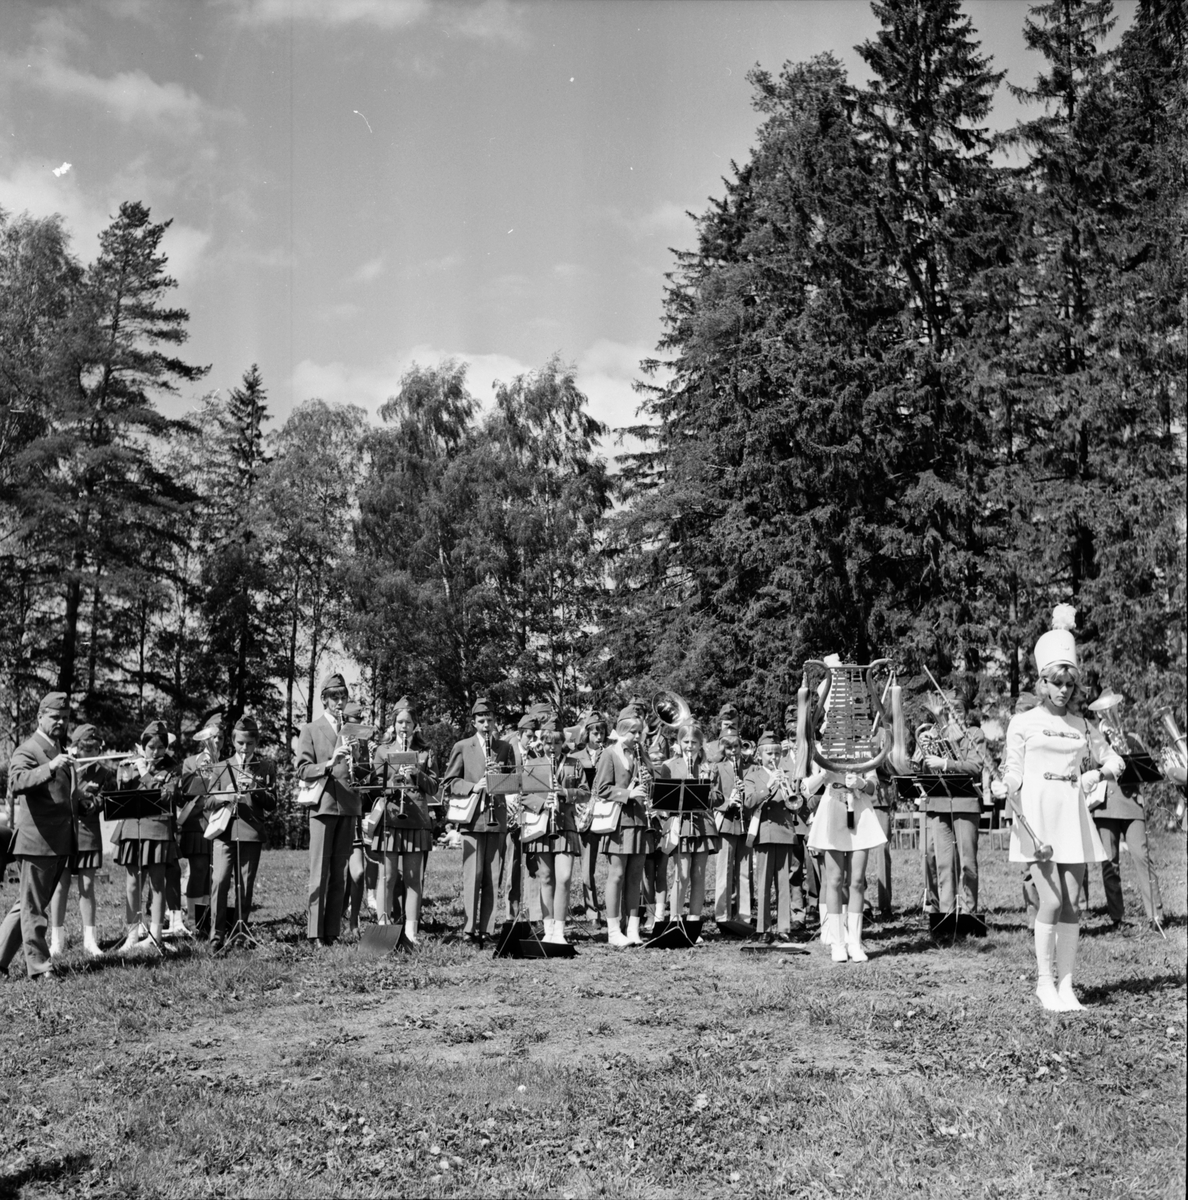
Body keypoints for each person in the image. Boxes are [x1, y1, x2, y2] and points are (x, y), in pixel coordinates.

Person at [1003, 605, 1123, 1011]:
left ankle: (1067, 985)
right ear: (1043, 682)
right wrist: (1007, 783)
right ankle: (1043, 983)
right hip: (1038, 813)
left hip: (1072, 812)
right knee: (1050, 901)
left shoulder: (1082, 725)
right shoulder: (1023, 722)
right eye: (1056, 684)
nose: (1064, 691)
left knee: (1071, 902)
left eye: (1069, 685)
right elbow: (1014, 770)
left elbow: (1114, 760)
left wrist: (1098, 775)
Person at [0, 692, 78, 981]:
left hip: (58, 842)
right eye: (55, 716)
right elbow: (17, 781)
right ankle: (40, 967)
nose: (61, 722)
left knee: (26, 905)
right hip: (37, 843)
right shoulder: (28, 749)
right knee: (34, 908)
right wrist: (50, 767)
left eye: (65, 717)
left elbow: (61, 796)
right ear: (40, 717)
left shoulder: (60, 748)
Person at [1085, 689, 1164, 931]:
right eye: (1105, 713)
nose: (1109, 716)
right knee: (1110, 862)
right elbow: (1089, 766)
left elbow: (1145, 767)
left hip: (1132, 804)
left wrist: (1123, 746)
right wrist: (1101, 740)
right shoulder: (1093, 738)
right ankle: (1117, 917)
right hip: (1105, 805)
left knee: (1142, 856)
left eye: (1113, 711)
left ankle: (1156, 915)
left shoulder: (1132, 738)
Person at [442, 697, 515, 946]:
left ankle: (487, 929)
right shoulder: (463, 746)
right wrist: (475, 787)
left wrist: (499, 780)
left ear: (495, 722)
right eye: (482, 721)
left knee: (493, 876)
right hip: (473, 818)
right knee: (472, 874)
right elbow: (450, 782)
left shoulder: (505, 747)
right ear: (474, 722)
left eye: (490, 720)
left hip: (497, 818)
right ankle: (469, 930)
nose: (486, 725)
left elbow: (514, 780)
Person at [912, 691, 989, 929]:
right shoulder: (933, 734)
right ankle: (945, 917)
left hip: (966, 802)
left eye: (956, 711)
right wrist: (924, 753)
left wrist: (946, 763)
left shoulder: (974, 733)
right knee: (943, 863)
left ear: (964, 712)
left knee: (967, 861)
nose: (952, 716)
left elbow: (976, 766)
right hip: (938, 802)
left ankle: (968, 915)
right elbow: (919, 769)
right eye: (947, 711)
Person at [296, 673, 362, 947]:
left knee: (340, 872)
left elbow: (363, 772)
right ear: (324, 699)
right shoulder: (310, 729)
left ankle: (332, 930)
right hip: (323, 806)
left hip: (347, 805)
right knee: (319, 872)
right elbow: (302, 769)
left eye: (343, 696)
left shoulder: (353, 730)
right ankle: (314, 933)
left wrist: (359, 758)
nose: (339, 701)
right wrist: (328, 762)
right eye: (334, 697)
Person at [805, 745, 886, 964]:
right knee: (834, 879)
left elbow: (873, 785)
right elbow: (809, 786)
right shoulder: (823, 748)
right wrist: (824, 771)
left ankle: (855, 942)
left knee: (857, 881)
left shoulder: (862, 747)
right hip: (833, 810)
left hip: (859, 812)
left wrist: (861, 783)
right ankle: (837, 943)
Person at [204, 716, 277, 949]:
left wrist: (255, 787)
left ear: (256, 743)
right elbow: (206, 804)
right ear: (233, 741)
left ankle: (240, 933)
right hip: (224, 832)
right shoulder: (221, 766)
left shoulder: (265, 767)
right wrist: (224, 795)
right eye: (240, 743)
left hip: (250, 832)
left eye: (249, 744)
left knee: (245, 886)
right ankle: (216, 936)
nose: (244, 748)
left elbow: (272, 803)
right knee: (220, 881)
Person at [111, 721, 182, 956]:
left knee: (157, 883)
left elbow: (165, 797)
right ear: (143, 747)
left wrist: (145, 772)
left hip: (158, 831)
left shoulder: (173, 769)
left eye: (160, 747)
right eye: (151, 747)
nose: (156, 752)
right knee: (133, 884)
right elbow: (120, 798)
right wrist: (123, 774)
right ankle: (132, 935)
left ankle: (155, 935)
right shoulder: (133, 763)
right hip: (132, 828)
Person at [369, 696, 435, 944]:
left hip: (416, 819)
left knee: (412, 878)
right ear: (393, 724)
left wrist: (417, 773)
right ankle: (383, 928)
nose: (403, 727)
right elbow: (374, 787)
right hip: (391, 818)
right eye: (399, 722)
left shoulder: (425, 752)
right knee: (386, 877)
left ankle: (411, 932)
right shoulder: (382, 751)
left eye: (408, 722)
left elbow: (435, 787)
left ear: (415, 724)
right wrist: (391, 783)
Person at [49, 723, 111, 959]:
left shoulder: (103, 773)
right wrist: (72, 772)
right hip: (64, 833)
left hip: (88, 835)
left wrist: (89, 802)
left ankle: (90, 940)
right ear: (74, 748)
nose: (90, 754)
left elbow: (100, 804)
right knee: (60, 887)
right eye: (85, 749)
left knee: (87, 888)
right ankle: (57, 941)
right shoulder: (65, 768)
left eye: (95, 749)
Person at [522, 719, 584, 944]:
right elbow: (524, 795)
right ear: (542, 743)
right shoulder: (532, 764)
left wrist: (565, 792)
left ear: (562, 744)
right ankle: (549, 930)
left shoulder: (574, 763)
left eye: (556, 743)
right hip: (541, 826)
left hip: (565, 825)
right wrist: (542, 801)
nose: (552, 748)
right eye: (547, 743)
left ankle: (559, 930)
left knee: (565, 878)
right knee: (546, 877)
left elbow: (586, 792)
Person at [593, 710, 652, 948]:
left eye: (640, 733)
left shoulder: (641, 754)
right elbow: (601, 789)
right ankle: (614, 929)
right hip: (619, 822)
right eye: (633, 733)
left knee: (635, 876)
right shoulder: (609, 754)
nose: (637, 737)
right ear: (621, 732)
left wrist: (648, 776)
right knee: (617, 875)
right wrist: (628, 794)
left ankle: (633, 928)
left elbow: (650, 784)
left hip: (640, 821)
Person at [743, 732, 806, 943]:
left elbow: (796, 805)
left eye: (777, 753)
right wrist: (770, 785)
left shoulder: (788, 775)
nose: (774, 757)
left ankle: (784, 927)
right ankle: (763, 928)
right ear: (759, 755)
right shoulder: (753, 775)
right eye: (769, 753)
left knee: (783, 882)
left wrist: (789, 790)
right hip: (765, 832)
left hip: (786, 833)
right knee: (764, 882)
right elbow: (749, 802)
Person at [657, 722, 720, 925]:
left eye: (694, 742)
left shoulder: (709, 766)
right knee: (681, 873)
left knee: (699, 874)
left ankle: (693, 921)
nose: (690, 746)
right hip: (681, 822)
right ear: (679, 742)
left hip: (702, 823)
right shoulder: (669, 765)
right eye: (686, 741)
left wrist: (707, 784)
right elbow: (662, 798)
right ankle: (675, 919)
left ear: (701, 744)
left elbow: (718, 799)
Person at [177, 712, 223, 935]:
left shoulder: (228, 762)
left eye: (221, 738)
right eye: (213, 737)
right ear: (205, 739)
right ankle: (195, 920)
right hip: (197, 822)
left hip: (219, 822)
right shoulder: (190, 762)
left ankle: (206, 921)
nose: (217, 742)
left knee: (214, 873)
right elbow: (185, 792)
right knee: (199, 870)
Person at [573, 711, 609, 926]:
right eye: (594, 733)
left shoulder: (610, 753)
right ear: (586, 734)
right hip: (586, 814)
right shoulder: (576, 757)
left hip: (608, 812)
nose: (599, 737)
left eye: (602, 732)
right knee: (587, 867)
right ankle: (592, 911)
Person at [711, 733, 748, 926]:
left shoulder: (749, 767)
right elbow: (712, 796)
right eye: (728, 747)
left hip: (746, 823)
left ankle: (744, 916)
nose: (733, 751)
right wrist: (727, 802)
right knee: (724, 870)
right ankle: (722, 916)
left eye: (736, 747)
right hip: (726, 822)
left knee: (744, 871)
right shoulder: (718, 767)